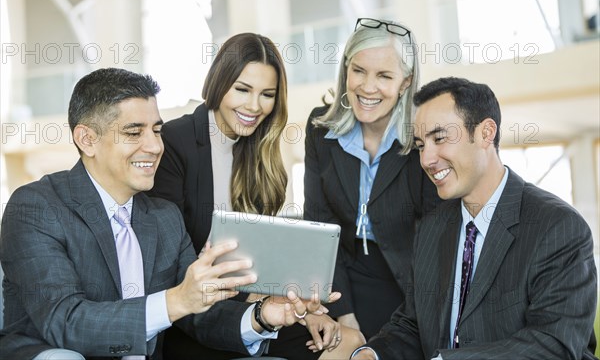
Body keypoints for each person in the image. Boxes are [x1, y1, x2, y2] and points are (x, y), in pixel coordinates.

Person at [0, 68, 332, 360]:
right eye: (134, 133)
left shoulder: (163, 217)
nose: (155, 146)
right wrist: (176, 300)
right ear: (87, 139)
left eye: (156, 130)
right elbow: (66, 323)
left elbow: (197, 313)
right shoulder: (36, 208)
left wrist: (262, 315)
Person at [149, 33, 364, 359]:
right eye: (242, 90)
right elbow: (171, 267)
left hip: (252, 304)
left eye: (267, 95)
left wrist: (305, 310)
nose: (254, 106)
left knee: (347, 341)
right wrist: (260, 306)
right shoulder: (175, 143)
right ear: (219, 83)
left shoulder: (257, 149)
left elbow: (259, 262)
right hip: (196, 316)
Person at [351, 77, 598, 359]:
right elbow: (413, 324)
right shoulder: (433, 227)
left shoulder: (557, 227)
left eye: (439, 138)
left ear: (485, 133)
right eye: (421, 145)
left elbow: (555, 344)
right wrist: (372, 354)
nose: (427, 159)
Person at [303, 18, 440, 339]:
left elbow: (436, 239)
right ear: (346, 69)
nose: (367, 87)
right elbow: (319, 226)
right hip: (341, 279)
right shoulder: (319, 129)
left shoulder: (423, 137)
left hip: (409, 286)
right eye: (359, 70)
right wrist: (344, 316)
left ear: (405, 83)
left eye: (384, 76)